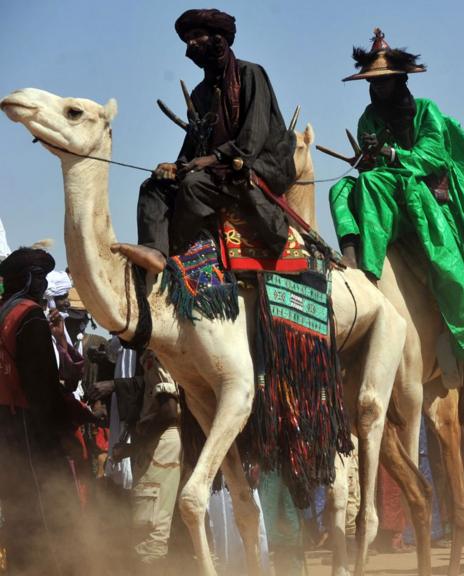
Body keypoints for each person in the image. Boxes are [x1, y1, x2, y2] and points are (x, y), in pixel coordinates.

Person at [329, 28, 464, 368]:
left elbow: (433, 156)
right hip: (385, 188)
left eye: (383, 82)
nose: (376, 88)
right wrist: (368, 158)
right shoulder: (369, 117)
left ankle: (370, 271)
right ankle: (349, 251)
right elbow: (371, 166)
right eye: (372, 83)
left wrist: (390, 155)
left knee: (373, 185)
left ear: (400, 81)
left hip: (421, 190)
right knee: (340, 188)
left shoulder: (426, 111)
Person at [114, 8, 295, 274]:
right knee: (154, 186)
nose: (191, 43)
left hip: (254, 168)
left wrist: (213, 158)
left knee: (192, 185)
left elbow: (252, 138)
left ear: (218, 37)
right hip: (217, 172)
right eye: (187, 39)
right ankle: (154, 250)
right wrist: (175, 165)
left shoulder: (250, 74)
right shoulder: (200, 93)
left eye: (197, 35)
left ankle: (179, 253)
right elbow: (193, 147)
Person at [0, 248, 95, 574]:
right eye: (38, 276)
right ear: (26, 279)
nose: (42, 284)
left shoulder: (5, 313)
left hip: (8, 431)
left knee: (20, 520)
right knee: (51, 518)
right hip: (33, 436)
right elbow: (41, 388)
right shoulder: (29, 317)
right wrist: (62, 435)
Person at [112, 350, 182, 570]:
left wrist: (135, 447)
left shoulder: (156, 353)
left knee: (149, 539)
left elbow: (169, 411)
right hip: (168, 444)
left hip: (159, 447)